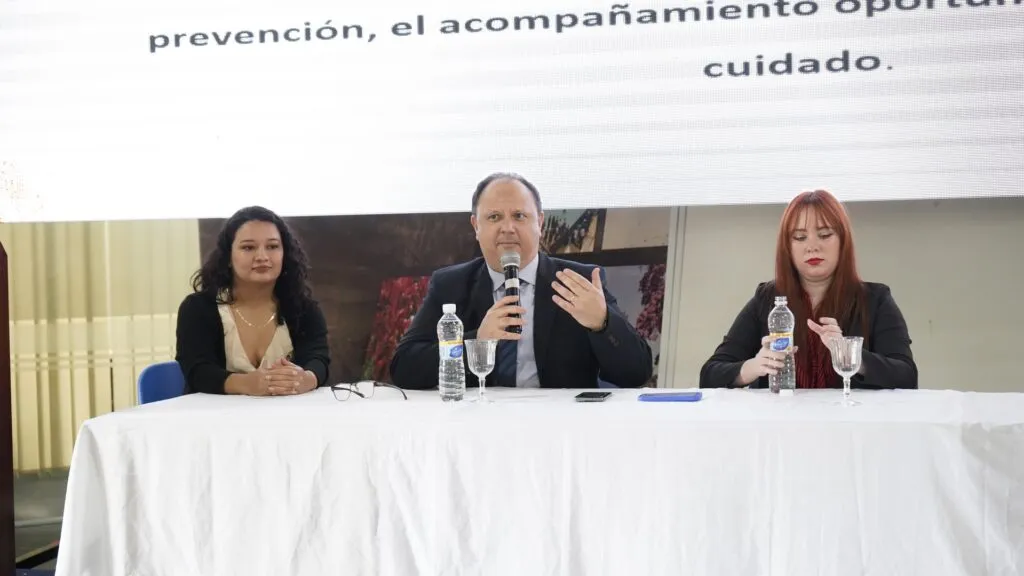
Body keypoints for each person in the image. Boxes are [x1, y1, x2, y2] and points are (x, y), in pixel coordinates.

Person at [389, 172, 653, 390]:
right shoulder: (450, 285)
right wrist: (477, 341)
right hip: (478, 423)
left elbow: (636, 373)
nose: (508, 228)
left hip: (560, 426)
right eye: (494, 217)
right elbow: (404, 368)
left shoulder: (578, 281)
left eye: (519, 216)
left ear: (540, 222)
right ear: (476, 226)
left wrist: (602, 324)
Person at [699, 190, 917, 390]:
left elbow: (907, 376)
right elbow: (710, 374)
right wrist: (754, 366)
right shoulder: (767, 298)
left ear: (843, 241)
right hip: (781, 418)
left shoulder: (875, 299)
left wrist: (851, 355)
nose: (812, 246)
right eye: (800, 237)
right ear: (787, 248)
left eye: (825, 235)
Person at [175, 206, 330, 396]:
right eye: (248, 248)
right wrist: (247, 384)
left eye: (272, 247)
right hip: (213, 413)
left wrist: (305, 379)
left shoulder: (305, 308)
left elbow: (318, 358)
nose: (262, 257)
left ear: (285, 253)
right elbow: (198, 371)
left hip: (287, 413)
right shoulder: (197, 308)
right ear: (228, 256)